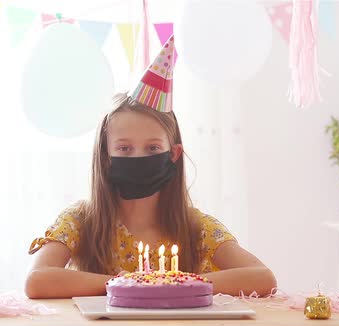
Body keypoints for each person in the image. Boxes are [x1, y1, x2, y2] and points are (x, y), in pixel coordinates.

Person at [25, 36, 276, 299]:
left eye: (153, 148)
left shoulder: (195, 226)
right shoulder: (81, 220)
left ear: (174, 154)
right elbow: (36, 281)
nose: (138, 157)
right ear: (106, 156)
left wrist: (174, 284)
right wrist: (128, 284)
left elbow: (263, 278)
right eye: (124, 149)